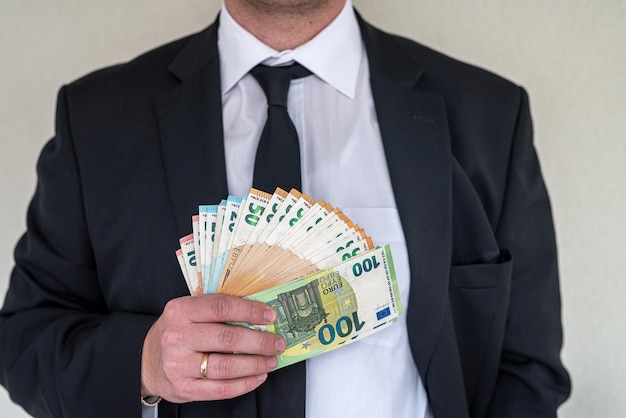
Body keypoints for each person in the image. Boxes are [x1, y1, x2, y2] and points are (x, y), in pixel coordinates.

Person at [0, 0, 571, 417]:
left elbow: (528, 369)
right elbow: (26, 338)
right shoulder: (97, 119)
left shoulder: (489, 115)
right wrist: (143, 364)